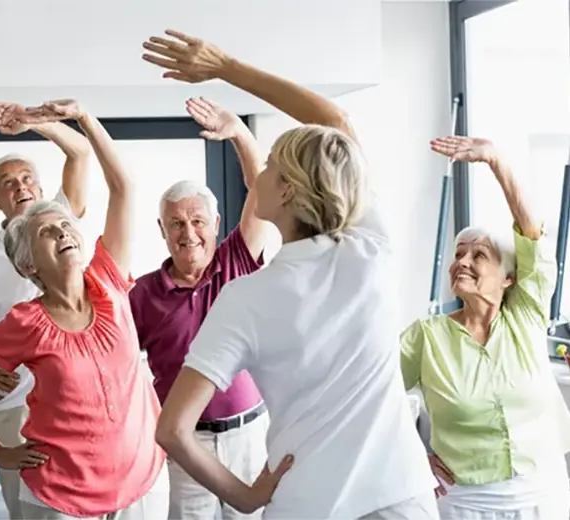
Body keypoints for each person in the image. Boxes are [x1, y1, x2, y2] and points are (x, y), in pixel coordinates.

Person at [144, 30, 438, 519]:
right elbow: (335, 121)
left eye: (272, 165)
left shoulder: (243, 297)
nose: (259, 172)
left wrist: (244, 497)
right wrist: (227, 66)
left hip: (305, 505)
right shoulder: (370, 247)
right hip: (399, 499)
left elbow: (172, 429)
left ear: (287, 193)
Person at [0, 99, 168, 520]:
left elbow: (124, 187)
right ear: (27, 263)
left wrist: (82, 117)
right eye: (48, 231)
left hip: (140, 481)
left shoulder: (108, 279)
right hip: (62, 493)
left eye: (66, 225)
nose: (63, 231)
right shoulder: (25, 321)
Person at [400, 136, 570, 519]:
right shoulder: (426, 337)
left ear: (509, 278)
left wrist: (497, 161)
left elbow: (533, 237)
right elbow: (373, 396)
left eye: (479, 255)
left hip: (544, 491)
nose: (463, 261)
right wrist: (412, 455)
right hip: (466, 501)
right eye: (459, 254)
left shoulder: (525, 316)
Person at [129, 95, 270, 519]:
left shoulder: (238, 259)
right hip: (186, 442)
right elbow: (109, 358)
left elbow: (262, 192)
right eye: (176, 223)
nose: (188, 232)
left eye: (197, 221)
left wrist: (241, 135)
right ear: (162, 230)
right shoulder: (142, 294)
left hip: (249, 433)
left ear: (216, 224)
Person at [0, 99, 91, 519]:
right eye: (8, 183)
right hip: (18, 408)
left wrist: (38, 122)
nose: (20, 188)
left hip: (78, 397)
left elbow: (80, 152)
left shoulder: (60, 218)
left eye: (27, 178)